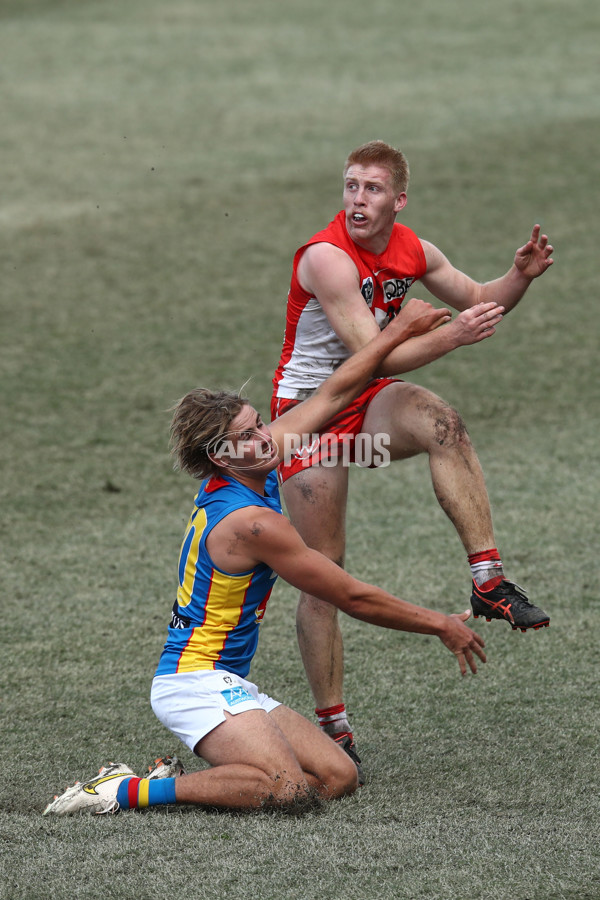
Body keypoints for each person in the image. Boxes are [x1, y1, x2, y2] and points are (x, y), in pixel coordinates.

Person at [43, 298, 491, 817]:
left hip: (229, 683)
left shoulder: (248, 463)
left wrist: (395, 334)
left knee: (338, 776)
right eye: (249, 436)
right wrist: (439, 624)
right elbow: (348, 595)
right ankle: (123, 790)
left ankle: (235, 769)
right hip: (194, 683)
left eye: (260, 424)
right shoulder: (253, 525)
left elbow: (334, 391)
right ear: (220, 456)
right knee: (289, 792)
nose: (266, 438)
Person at [271, 140, 553, 763]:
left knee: (442, 425)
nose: (356, 200)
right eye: (350, 186)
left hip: (364, 404)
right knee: (325, 571)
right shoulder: (326, 259)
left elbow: (479, 295)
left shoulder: (413, 249)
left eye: (371, 189)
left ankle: (488, 581)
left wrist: (518, 278)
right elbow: (381, 354)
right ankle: (333, 725)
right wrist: (451, 336)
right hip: (308, 418)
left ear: (399, 199)